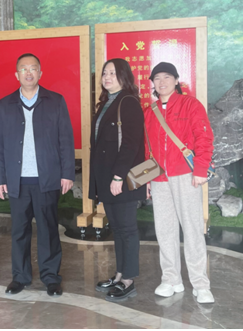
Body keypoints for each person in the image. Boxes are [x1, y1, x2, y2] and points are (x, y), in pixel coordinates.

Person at [0, 53, 75, 297]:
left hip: (47, 178)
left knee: (48, 229)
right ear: (17, 74)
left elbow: (65, 140)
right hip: (17, 180)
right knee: (19, 231)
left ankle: (51, 278)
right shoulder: (5, 104)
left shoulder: (55, 101)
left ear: (40, 73)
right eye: (24, 69)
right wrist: (0, 179)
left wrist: (67, 173)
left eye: (33, 68)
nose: (28, 73)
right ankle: (20, 277)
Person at [144, 62, 215, 304]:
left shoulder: (190, 104)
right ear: (153, 83)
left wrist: (200, 169)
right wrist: (147, 178)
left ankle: (200, 284)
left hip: (185, 174)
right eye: (157, 78)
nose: (162, 82)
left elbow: (204, 137)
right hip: (159, 177)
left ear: (176, 80)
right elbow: (147, 147)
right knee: (164, 230)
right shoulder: (150, 111)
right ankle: (171, 279)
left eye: (167, 77)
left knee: (192, 228)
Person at [88, 58, 148, 302]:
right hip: (107, 178)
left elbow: (131, 144)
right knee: (118, 229)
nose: (107, 77)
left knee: (127, 229)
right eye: (104, 73)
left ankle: (128, 280)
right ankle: (120, 274)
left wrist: (118, 176)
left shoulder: (128, 102)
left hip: (120, 178)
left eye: (112, 73)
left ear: (124, 76)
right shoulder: (106, 102)